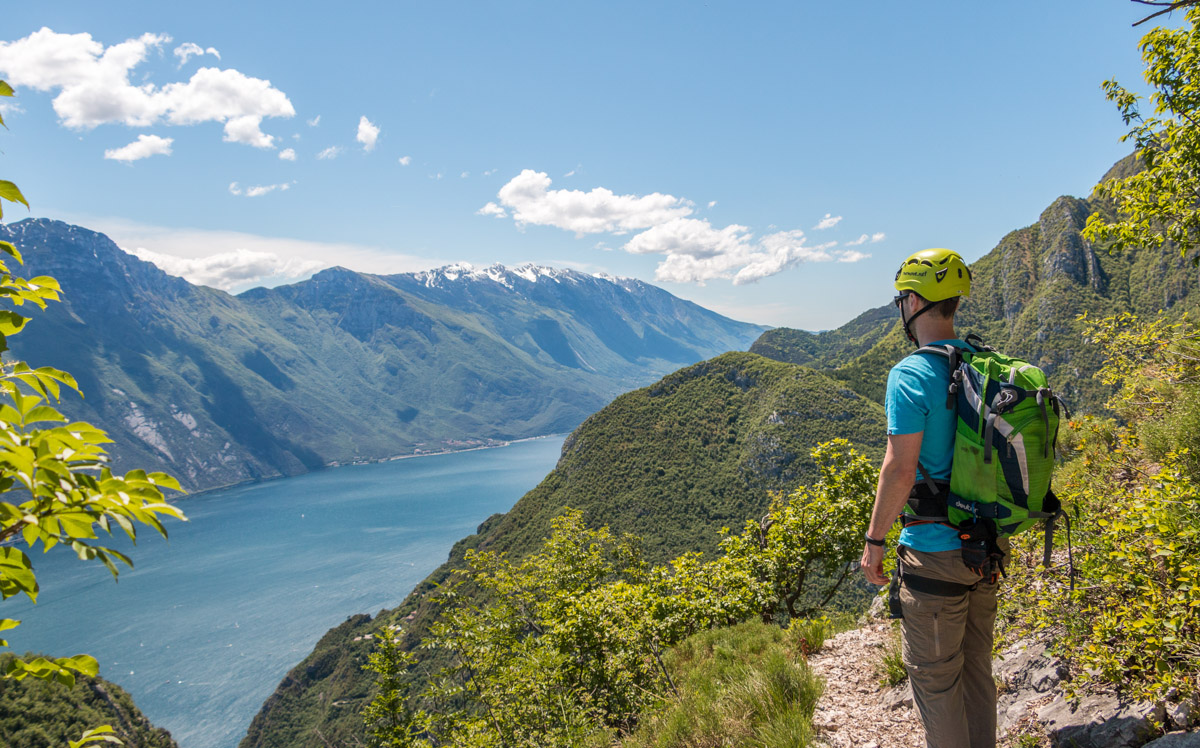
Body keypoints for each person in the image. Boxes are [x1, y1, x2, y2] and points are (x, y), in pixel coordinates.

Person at [859, 247, 1002, 748]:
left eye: (901, 298)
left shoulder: (910, 374)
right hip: (987, 545)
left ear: (915, 301)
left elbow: (900, 470)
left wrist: (875, 541)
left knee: (937, 681)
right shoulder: (984, 364)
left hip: (935, 553)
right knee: (977, 668)